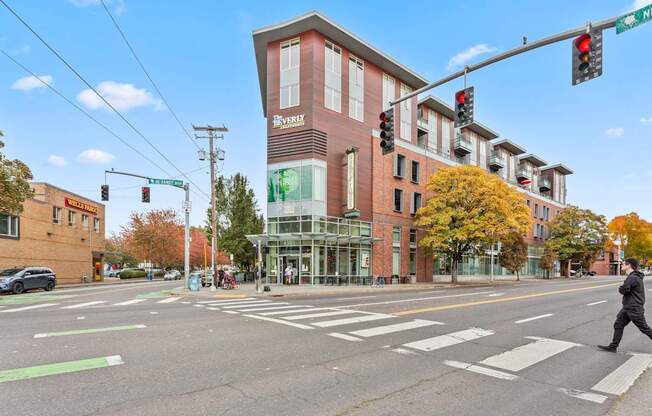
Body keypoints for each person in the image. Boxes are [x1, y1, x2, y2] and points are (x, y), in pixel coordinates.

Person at [599, 258, 652, 352]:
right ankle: (613, 346)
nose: (622, 265)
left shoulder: (633, 277)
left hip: (634, 308)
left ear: (629, 265)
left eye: (623, 264)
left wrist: (621, 288)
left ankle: (613, 346)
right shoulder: (633, 276)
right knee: (618, 324)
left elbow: (623, 290)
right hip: (628, 307)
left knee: (644, 328)